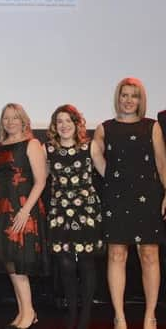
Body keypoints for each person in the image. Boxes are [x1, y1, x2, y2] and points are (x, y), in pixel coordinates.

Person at [92, 78, 166, 329]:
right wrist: (109, 175)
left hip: (148, 196)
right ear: (118, 97)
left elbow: (161, 163)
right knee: (116, 254)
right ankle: (119, 317)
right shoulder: (105, 128)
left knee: (149, 255)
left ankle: (150, 316)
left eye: (134, 96)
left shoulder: (152, 127)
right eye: (124, 95)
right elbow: (95, 153)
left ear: (140, 100)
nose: (128, 100)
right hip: (116, 197)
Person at [44, 104, 105, 329]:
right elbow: (40, 179)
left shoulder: (91, 147)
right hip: (59, 212)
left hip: (86, 211)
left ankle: (86, 315)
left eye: (68, 121)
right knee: (66, 264)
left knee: (87, 264)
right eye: (59, 121)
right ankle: (71, 313)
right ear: (54, 126)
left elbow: (106, 174)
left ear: (77, 124)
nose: (64, 125)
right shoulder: (47, 150)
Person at [0, 103, 48, 329]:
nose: (10, 122)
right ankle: (24, 311)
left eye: (15, 118)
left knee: (20, 263)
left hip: (24, 208)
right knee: (11, 262)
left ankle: (29, 312)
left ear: (23, 121)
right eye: (6, 118)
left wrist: (24, 211)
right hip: (2, 207)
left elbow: (40, 181)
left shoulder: (31, 144)